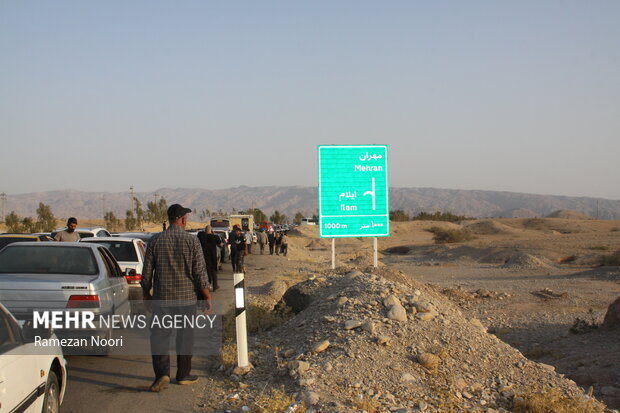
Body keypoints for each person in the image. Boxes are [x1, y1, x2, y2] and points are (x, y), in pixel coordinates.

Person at [141, 204, 211, 392]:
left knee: (159, 337)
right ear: (183, 219)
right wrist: (206, 297)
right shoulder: (192, 241)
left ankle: (162, 373)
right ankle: (183, 374)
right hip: (186, 300)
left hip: (161, 299)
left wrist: (146, 295)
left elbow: (146, 274)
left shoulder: (156, 240)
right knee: (185, 337)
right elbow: (200, 274)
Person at [197, 225, 222, 291]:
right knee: (213, 271)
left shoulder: (201, 236)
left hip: (203, 256)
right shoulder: (215, 237)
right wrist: (213, 233)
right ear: (211, 230)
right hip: (212, 257)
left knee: (205, 271)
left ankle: (206, 286)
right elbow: (220, 244)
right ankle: (215, 286)